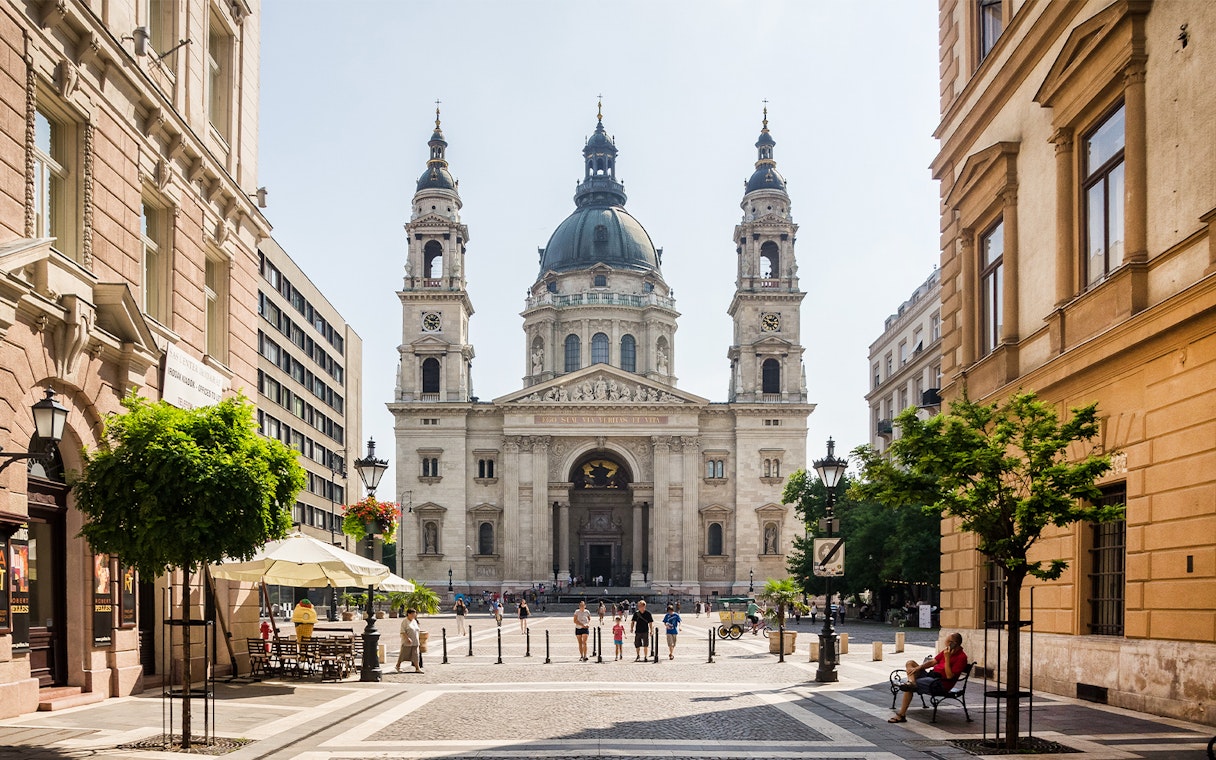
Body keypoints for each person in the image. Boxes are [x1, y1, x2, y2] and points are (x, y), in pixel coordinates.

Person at [889, 632, 967, 723]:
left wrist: (947, 659)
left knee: (908, 688)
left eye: (947, 641)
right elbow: (932, 662)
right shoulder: (946, 651)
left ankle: (901, 715)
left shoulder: (962, 657)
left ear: (953, 643)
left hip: (940, 683)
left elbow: (949, 676)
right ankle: (911, 682)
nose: (945, 643)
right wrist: (918, 668)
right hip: (931, 676)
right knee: (910, 663)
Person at [396, 608, 423, 674]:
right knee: (403, 654)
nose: (414, 615)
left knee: (415, 655)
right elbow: (402, 631)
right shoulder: (405, 621)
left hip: (415, 641)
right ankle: (398, 666)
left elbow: (417, 630)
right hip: (407, 641)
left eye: (415, 613)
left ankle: (417, 668)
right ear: (409, 614)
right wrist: (407, 638)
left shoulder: (414, 621)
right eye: (413, 614)